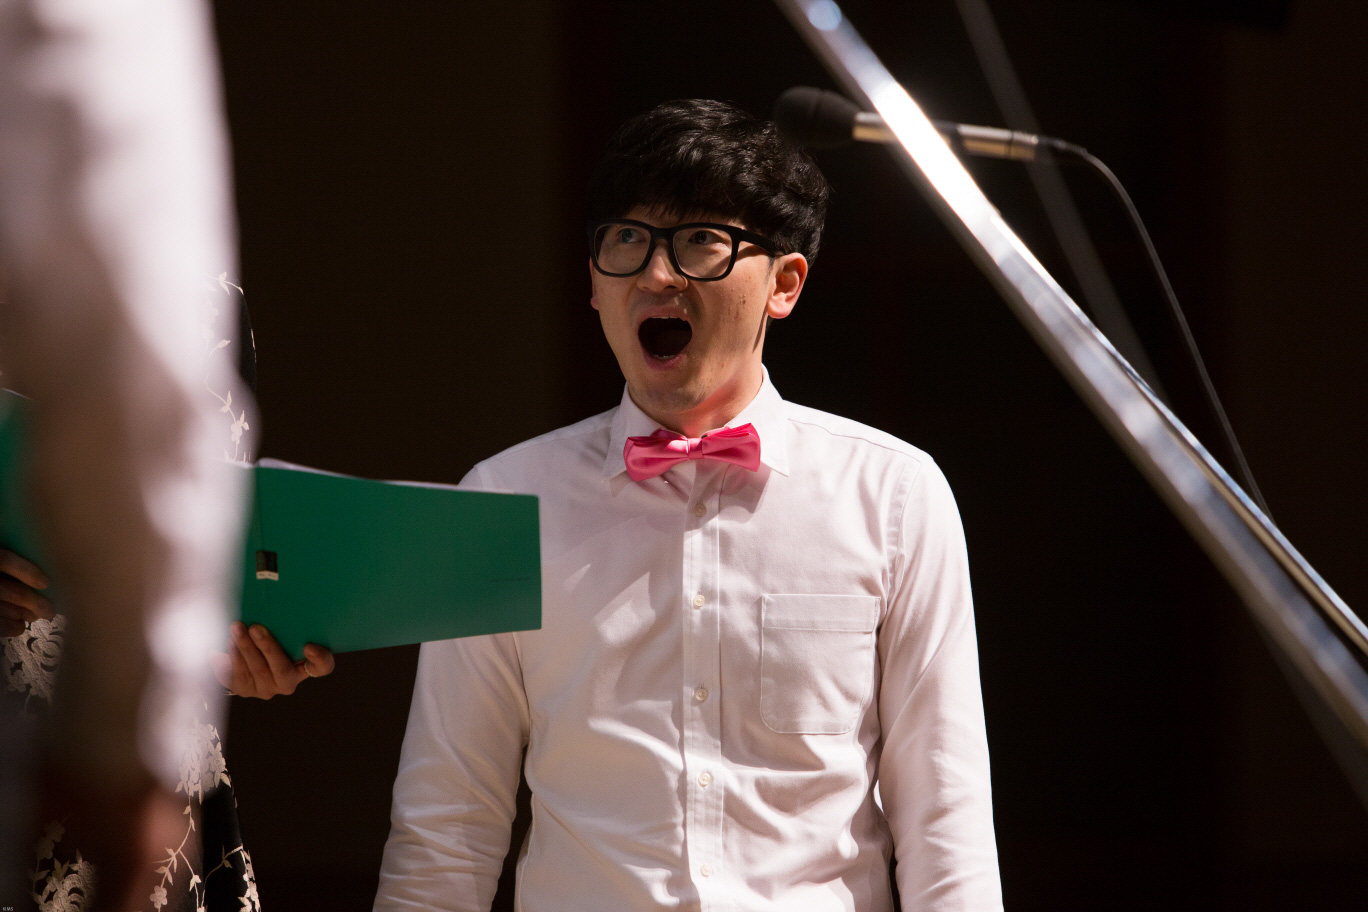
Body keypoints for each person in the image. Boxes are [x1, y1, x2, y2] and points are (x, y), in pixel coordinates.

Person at [374, 99, 1002, 911]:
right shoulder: (502, 503)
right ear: (593, 283)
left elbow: (946, 823)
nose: (656, 275)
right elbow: (445, 830)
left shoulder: (894, 495)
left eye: (701, 240)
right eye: (627, 240)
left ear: (784, 284)